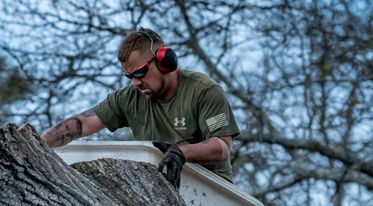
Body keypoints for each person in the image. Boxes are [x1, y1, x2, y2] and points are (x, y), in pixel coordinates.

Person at [41, 29, 240, 187]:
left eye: (140, 73)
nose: (136, 83)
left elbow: (221, 146)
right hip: (160, 194)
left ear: (165, 61)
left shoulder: (204, 91)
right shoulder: (128, 98)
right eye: (129, 77)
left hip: (214, 193)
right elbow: (83, 123)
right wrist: (35, 144)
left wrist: (181, 152)